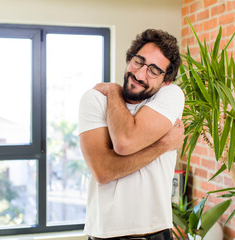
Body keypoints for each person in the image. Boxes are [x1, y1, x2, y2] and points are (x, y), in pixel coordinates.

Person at [78, 29, 185, 240]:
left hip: (155, 233)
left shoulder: (171, 95)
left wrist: (113, 93)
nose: (139, 74)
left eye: (154, 71)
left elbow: (124, 142)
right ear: (129, 59)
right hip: (104, 235)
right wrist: (162, 145)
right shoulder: (95, 99)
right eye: (138, 62)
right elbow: (105, 170)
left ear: (166, 82)